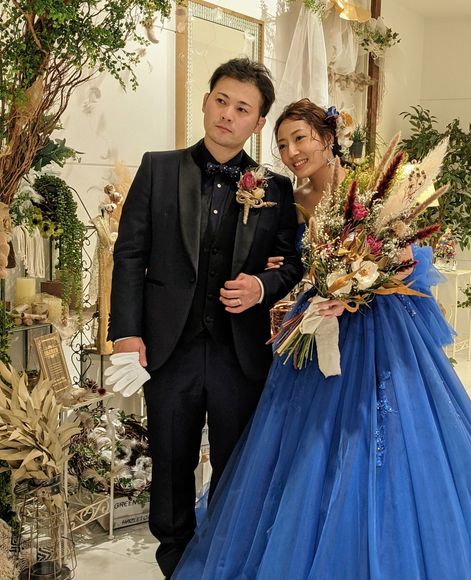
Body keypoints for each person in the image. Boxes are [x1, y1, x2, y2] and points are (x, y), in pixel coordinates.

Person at [172, 99, 471, 579]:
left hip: (378, 328)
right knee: (306, 442)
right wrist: (294, 271)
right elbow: (293, 261)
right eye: (282, 144)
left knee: (387, 431)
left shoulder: (371, 188)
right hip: (319, 323)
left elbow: (409, 259)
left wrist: (362, 286)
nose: (292, 151)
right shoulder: (291, 198)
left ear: (327, 138)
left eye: (300, 138)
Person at [108, 59, 303, 578]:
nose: (227, 115)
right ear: (205, 100)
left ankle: (223, 559)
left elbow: (293, 263)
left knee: (235, 463)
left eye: (242, 108)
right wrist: (126, 333)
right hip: (168, 348)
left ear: (257, 123)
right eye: (221, 100)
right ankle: (175, 562)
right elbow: (129, 254)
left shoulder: (275, 188)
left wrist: (260, 286)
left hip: (239, 353)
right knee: (171, 460)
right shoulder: (158, 168)